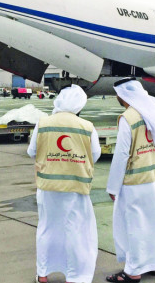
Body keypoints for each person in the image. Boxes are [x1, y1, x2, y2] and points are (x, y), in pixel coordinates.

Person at [27, 85, 101, 283]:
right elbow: (95, 154)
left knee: (47, 228)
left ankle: (43, 274)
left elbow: (31, 151)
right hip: (76, 186)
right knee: (75, 230)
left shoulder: (43, 123)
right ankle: (74, 276)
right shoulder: (87, 126)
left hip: (48, 186)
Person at [105, 77, 155, 282]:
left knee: (133, 225)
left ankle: (133, 271)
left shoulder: (129, 117)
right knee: (152, 222)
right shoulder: (154, 108)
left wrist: (113, 186)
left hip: (135, 180)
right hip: (153, 175)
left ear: (122, 95)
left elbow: (122, 154)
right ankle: (153, 263)